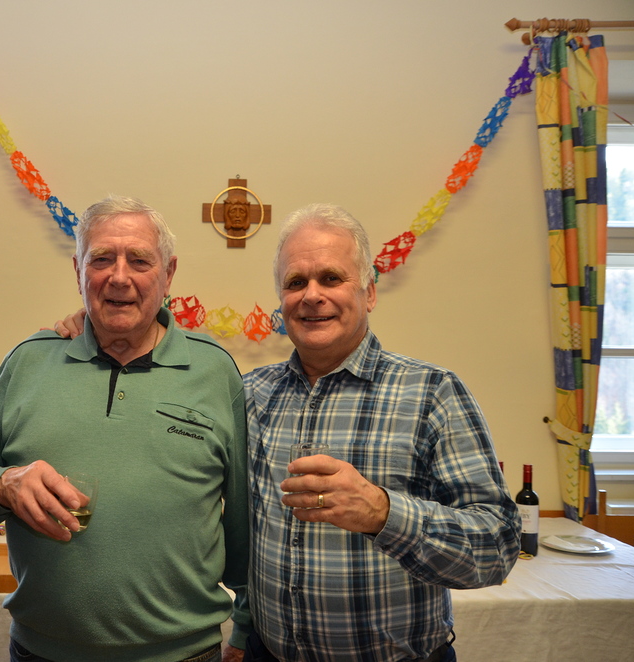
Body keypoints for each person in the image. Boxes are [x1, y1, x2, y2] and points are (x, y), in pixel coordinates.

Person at [54, 203, 520, 662]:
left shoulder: (432, 393)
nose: (311, 296)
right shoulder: (251, 394)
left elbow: (497, 547)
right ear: (280, 300)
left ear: (369, 292)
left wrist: (383, 513)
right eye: (296, 283)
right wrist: (93, 326)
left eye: (331, 278)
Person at [0, 195, 251, 662]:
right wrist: (3, 483)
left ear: (169, 273)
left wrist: (247, 626)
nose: (119, 277)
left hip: (184, 653)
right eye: (102, 259)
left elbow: (245, 520)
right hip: (42, 653)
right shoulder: (29, 361)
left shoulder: (215, 371)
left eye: (139, 260)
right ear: (78, 271)